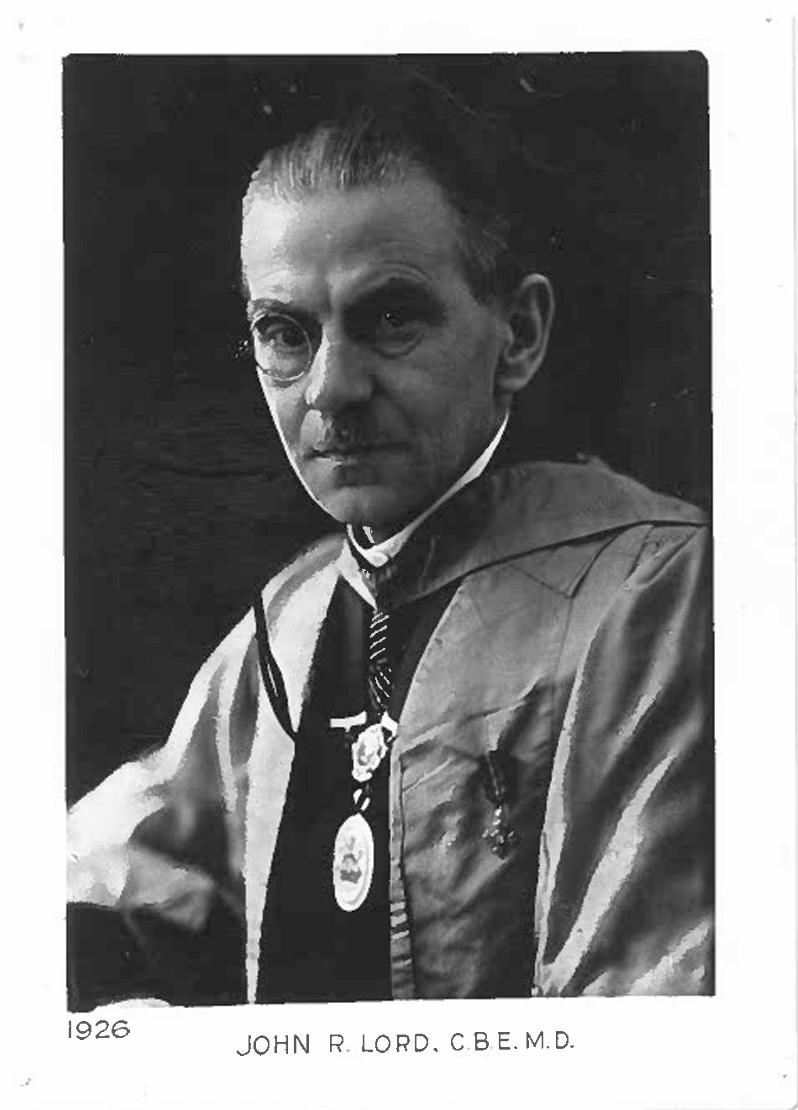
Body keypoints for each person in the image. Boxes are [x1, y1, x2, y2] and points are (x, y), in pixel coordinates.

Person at [67, 68, 713, 1007]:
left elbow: (650, 1020)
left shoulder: (653, 594)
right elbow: (98, 868)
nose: (330, 389)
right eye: (286, 333)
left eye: (390, 319)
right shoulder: (287, 623)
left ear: (519, 335)